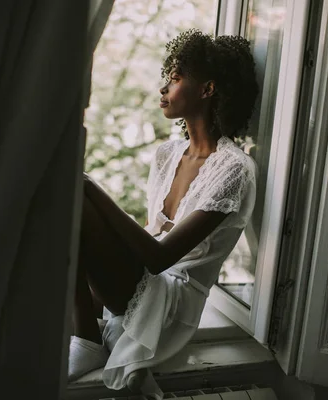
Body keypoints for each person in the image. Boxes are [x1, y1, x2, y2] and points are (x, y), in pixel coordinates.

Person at [69, 29, 259, 397]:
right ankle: (87, 330)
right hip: (140, 281)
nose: (163, 89)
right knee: (72, 202)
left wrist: (91, 185)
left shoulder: (234, 170)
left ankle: (88, 341)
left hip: (172, 299)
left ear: (207, 89)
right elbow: (149, 233)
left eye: (174, 79)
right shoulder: (167, 155)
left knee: (77, 194)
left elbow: (160, 258)